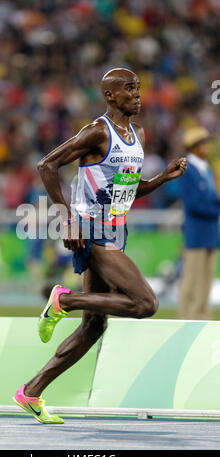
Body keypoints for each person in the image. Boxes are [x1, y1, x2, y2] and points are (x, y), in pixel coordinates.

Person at [13, 68, 187, 424]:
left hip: (116, 229)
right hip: (91, 229)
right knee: (145, 303)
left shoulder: (137, 134)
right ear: (110, 95)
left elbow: (127, 190)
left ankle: (30, 392)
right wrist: (68, 218)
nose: (137, 94)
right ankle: (64, 299)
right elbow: (47, 164)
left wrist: (161, 179)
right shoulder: (96, 132)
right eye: (128, 89)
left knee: (94, 326)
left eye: (138, 88)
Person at [177, 127, 220, 320]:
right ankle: (187, 318)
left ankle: (203, 318)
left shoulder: (206, 169)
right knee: (192, 280)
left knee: (206, 281)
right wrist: (216, 208)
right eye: (203, 143)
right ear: (194, 147)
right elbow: (193, 204)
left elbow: (210, 198)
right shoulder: (187, 170)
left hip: (210, 232)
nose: (207, 147)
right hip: (195, 233)